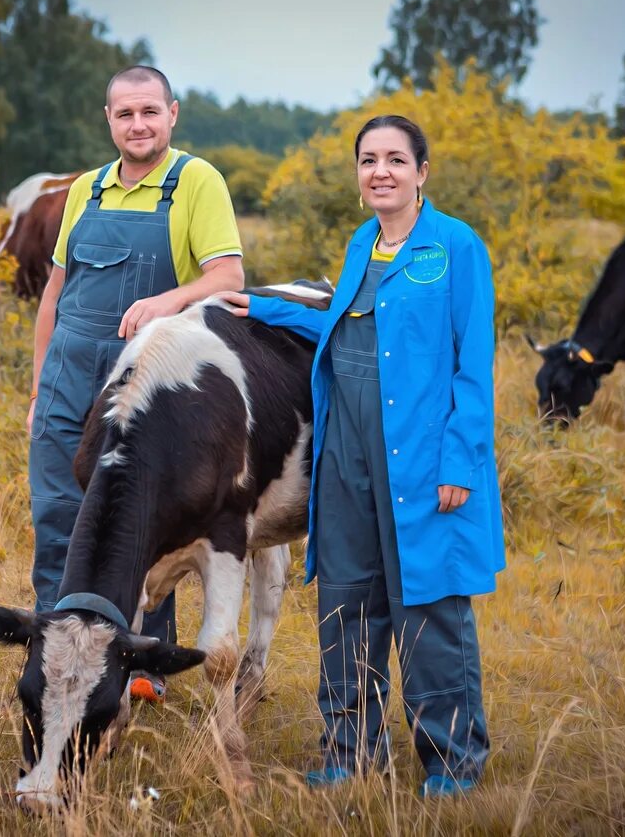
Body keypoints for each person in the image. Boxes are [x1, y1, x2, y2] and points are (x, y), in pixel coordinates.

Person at [218, 115, 505, 797]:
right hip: (344, 452)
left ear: (422, 172)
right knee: (345, 602)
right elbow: (343, 331)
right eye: (369, 159)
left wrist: (460, 463)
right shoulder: (362, 244)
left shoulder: (456, 247)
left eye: (396, 160)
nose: (381, 171)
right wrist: (262, 306)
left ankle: (454, 761)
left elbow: (474, 365)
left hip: (423, 456)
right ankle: (349, 753)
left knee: (429, 607)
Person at [26, 65, 245, 703]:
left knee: (141, 523)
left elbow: (228, 277)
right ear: (109, 120)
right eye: (125, 114)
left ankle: (139, 670)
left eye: (150, 112)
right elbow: (54, 293)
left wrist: (165, 300)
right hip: (69, 377)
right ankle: (56, 659)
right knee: (59, 519)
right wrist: (42, 386)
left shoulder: (196, 181)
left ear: (172, 114)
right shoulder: (85, 191)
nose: (138, 125)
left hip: (143, 384)